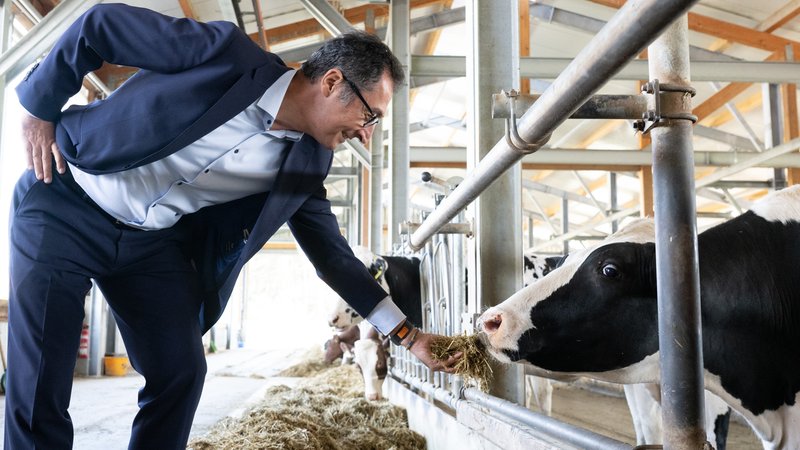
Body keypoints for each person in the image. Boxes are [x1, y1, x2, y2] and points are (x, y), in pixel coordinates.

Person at [7, 4, 459, 449]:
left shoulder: (308, 164)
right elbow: (99, 25)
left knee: (180, 372)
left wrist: (409, 336)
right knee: (42, 372)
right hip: (66, 197)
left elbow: (333, 258)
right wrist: (39, 105)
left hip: (150, 243)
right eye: (370, 115)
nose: (367, 134)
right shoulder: (225, 55)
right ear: (332, 82)